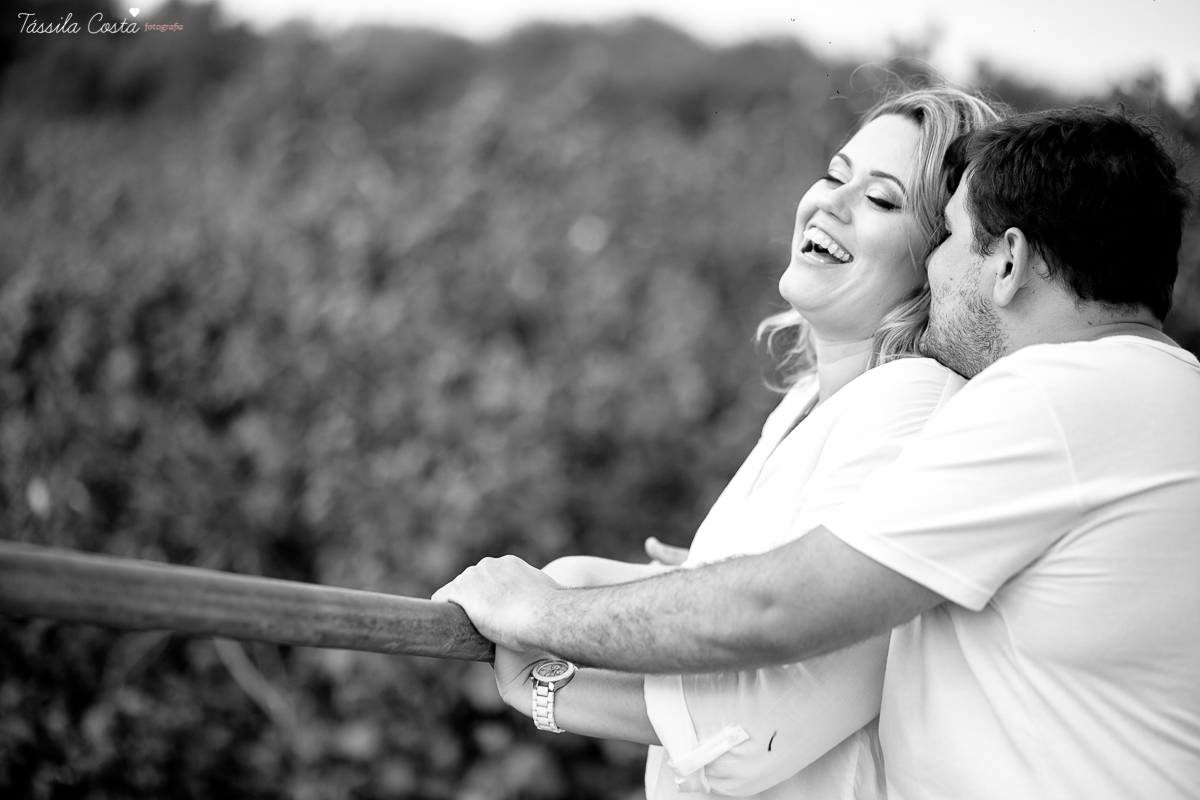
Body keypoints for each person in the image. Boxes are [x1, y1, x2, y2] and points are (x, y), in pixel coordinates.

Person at [434, 105, 1200, 799]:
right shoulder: (1157, 394)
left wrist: (543, 623)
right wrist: (671, 583)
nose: (938, 273)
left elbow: (785, 613)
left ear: (1007, 261)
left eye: (949, 239)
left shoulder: (1046, 399)